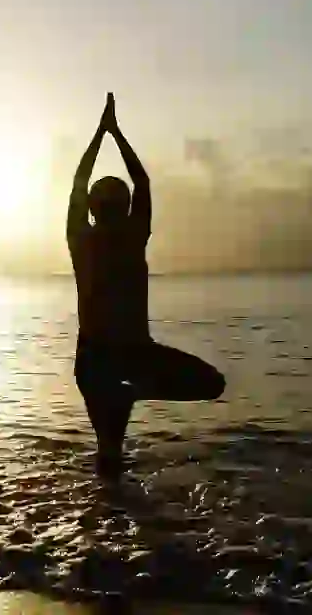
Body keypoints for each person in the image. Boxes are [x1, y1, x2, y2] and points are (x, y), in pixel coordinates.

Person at [67, 92, 225, 479]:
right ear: (123, 206)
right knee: (211, 383)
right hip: (126, 355)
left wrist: (101, 133)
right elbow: (142, 180)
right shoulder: (132, 235)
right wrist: (115, 134)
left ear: (91, 208)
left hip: (97, 360)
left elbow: (80, 179)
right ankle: (132, 394)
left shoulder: (80, 239)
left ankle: (106, 518)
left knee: (109, 452)